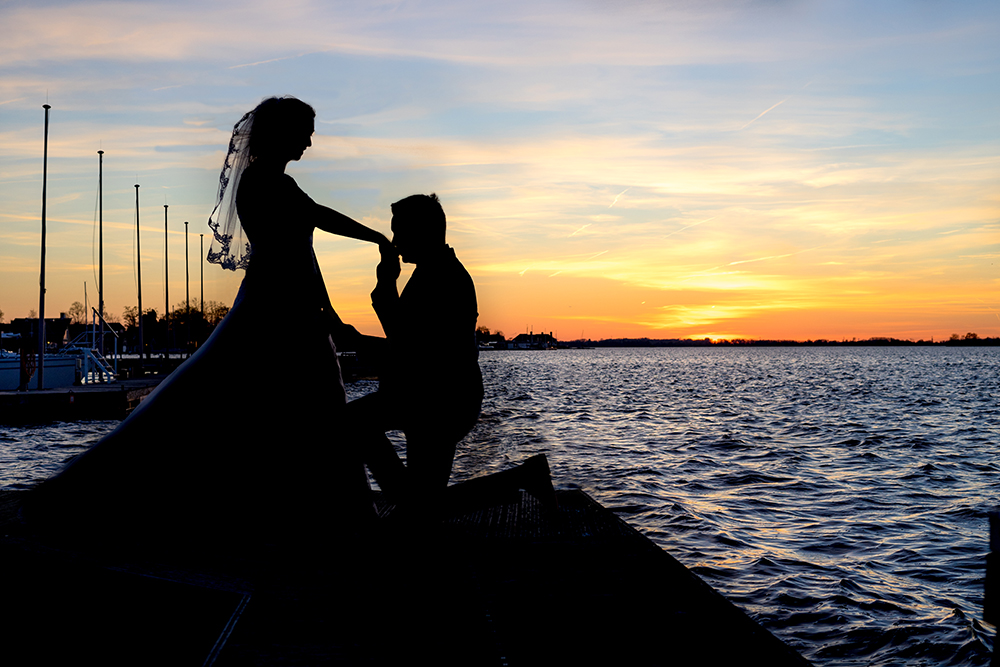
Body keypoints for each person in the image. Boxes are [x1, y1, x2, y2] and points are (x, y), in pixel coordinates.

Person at [26, 96, 388, 544]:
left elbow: (305, 253)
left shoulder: (277, 182)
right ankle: (340, 512)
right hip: (276, 307)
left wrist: (330, 313)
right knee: (289, 404)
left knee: (288, 406)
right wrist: (374, 240)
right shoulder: (263, 183)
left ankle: (319, 509)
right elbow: (301, 243)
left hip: (288, 305)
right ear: (282, 133)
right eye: (304, 132)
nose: (310, 142)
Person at [348, 194, 484, 516]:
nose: (394, 242)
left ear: (422, 231)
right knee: (424, 502)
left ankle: (384, 513)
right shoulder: (434, 271)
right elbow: (408, 343)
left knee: (351, 423)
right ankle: (523, 478)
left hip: (437, 400)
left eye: (399, 232)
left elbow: (406, 346)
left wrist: (384, 287)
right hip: (433, 395)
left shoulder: (440, 278)